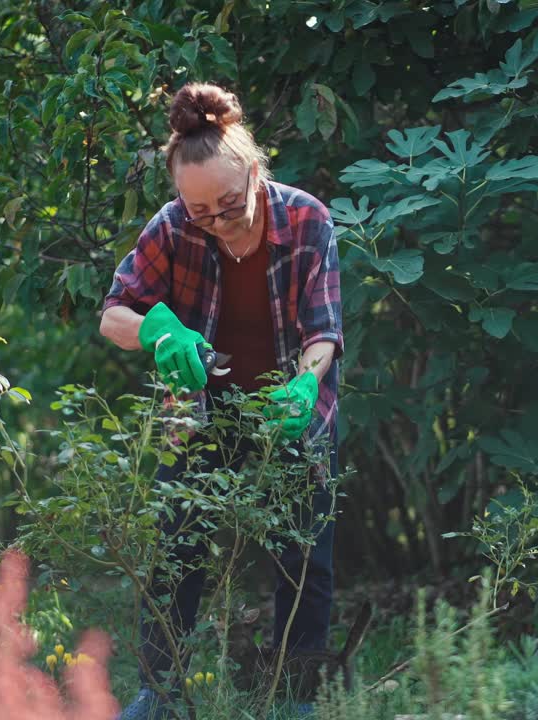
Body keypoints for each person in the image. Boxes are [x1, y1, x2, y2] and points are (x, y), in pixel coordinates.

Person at [99, 81, 342, 719]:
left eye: (229, 204)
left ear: (256, 171)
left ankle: (294, 699)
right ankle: (160, 691)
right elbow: (113, 314)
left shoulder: (308, 220)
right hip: (199, 411)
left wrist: (305, 381)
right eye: (200, 210)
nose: (216, 221)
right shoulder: (175, 226)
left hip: (290, 407)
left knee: (304, 549)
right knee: (178, 545)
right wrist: (155, 328)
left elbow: (325, 334)